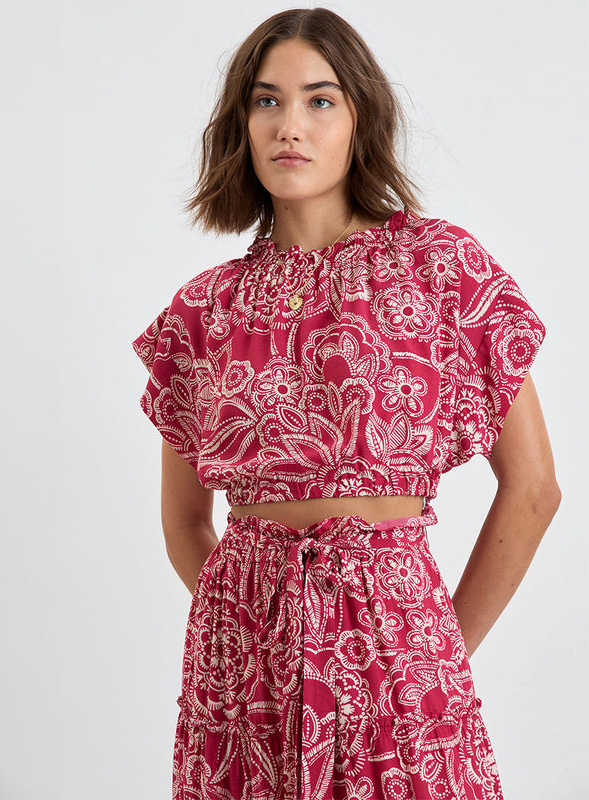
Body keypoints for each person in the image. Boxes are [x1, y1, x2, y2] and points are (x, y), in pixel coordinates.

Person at [132, 7, 561, 800]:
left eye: (319, 100)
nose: (289, 124)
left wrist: (431, 648)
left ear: (362, 119)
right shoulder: (204, 312)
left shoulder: (443, 270)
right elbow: (185, 521)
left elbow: (534, 489)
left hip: (401, 657)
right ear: (241, 125)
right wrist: (255, 630)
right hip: (243, 681)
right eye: (266, 101)